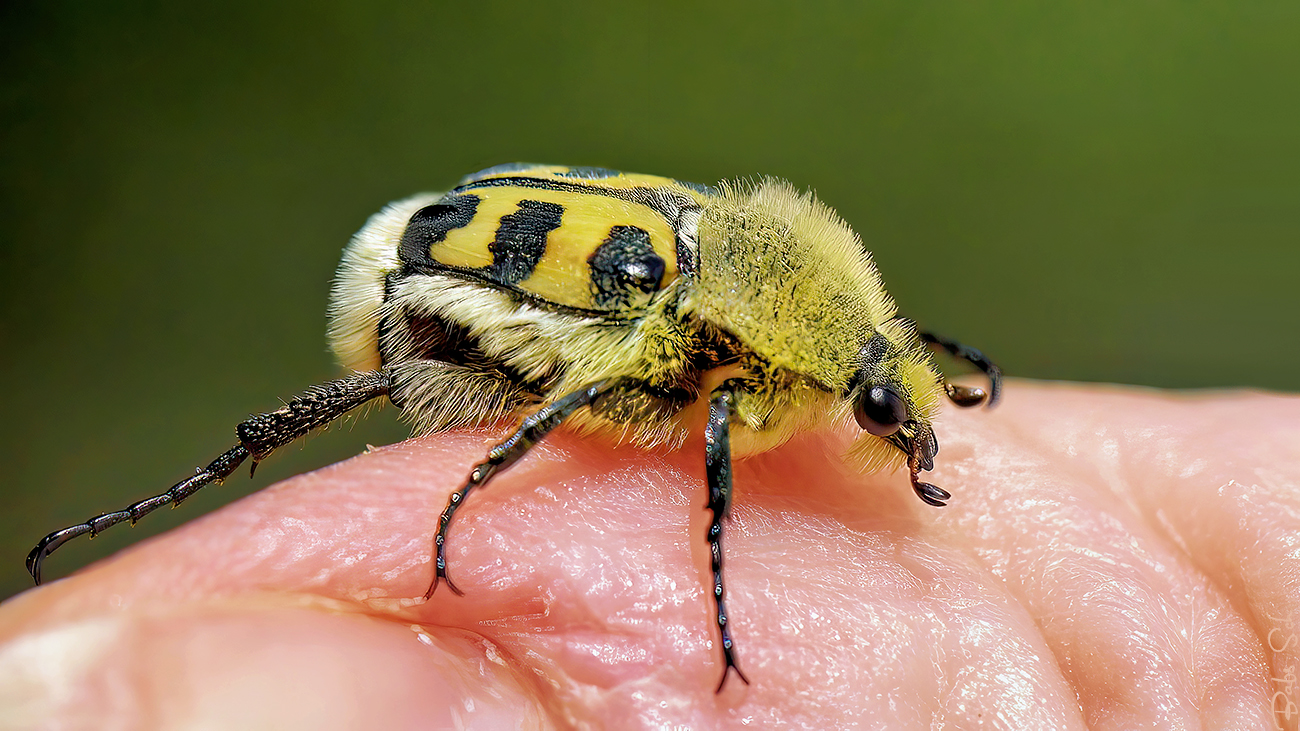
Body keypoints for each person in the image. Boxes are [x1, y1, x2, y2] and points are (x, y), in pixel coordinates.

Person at [0, 382, 1296, 729]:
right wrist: (488, 488)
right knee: (429, 376)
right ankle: (207, 476)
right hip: (470, 293)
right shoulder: (721, 370)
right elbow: (580, 404)